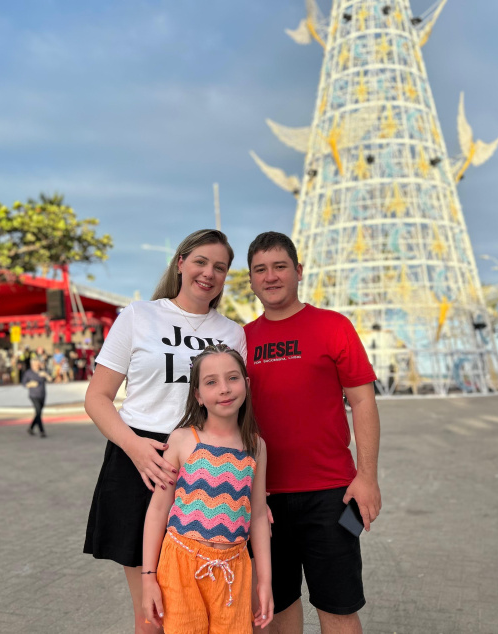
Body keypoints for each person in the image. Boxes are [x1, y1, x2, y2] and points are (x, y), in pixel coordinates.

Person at [83, 229, 247, 634]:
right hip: (140, 463)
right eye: (200, 262)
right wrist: (136, 449)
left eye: (220, 267)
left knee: (204, 616)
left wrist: (252, 489)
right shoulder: (139, 315)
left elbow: (238, 412)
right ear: (180, 263)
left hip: (208, 471)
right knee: (153, 618)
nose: (209, 273)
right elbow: (97, 398)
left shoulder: (232, 333)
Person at [243, 232, 382, 633]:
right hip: (262, 499)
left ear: (298, 272)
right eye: (260, 270)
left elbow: (363, 403)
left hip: (333, 495)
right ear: (251, 280)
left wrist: (367, 476)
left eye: (280, 267)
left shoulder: (333, 327)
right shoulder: (240, 339)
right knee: (275, 609)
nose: (271, 277)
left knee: (338, 608)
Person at [141, 345, 273, 633]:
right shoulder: (181, 440)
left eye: (233, 378)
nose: (224, 389)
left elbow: (259, 516)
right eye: (211, 382)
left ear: (247, 385)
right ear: (198, 395)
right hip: (179, 566)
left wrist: (265, 582)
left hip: (234, 569)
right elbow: (158, 509)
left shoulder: (256, 446)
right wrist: (148, 576)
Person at [22, 357, 51, 437]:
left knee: (38, 413)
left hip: (42, 394)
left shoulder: (43, 371)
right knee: (38, 412)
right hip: (33, 395)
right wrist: (30, 384)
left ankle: (31, 428)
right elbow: (24, 384)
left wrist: (46, 375)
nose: (37, 366)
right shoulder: (28, 373)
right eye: (35, 364)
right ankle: (42, 431)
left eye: (38, 364)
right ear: (32, 365)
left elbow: (51, 379)